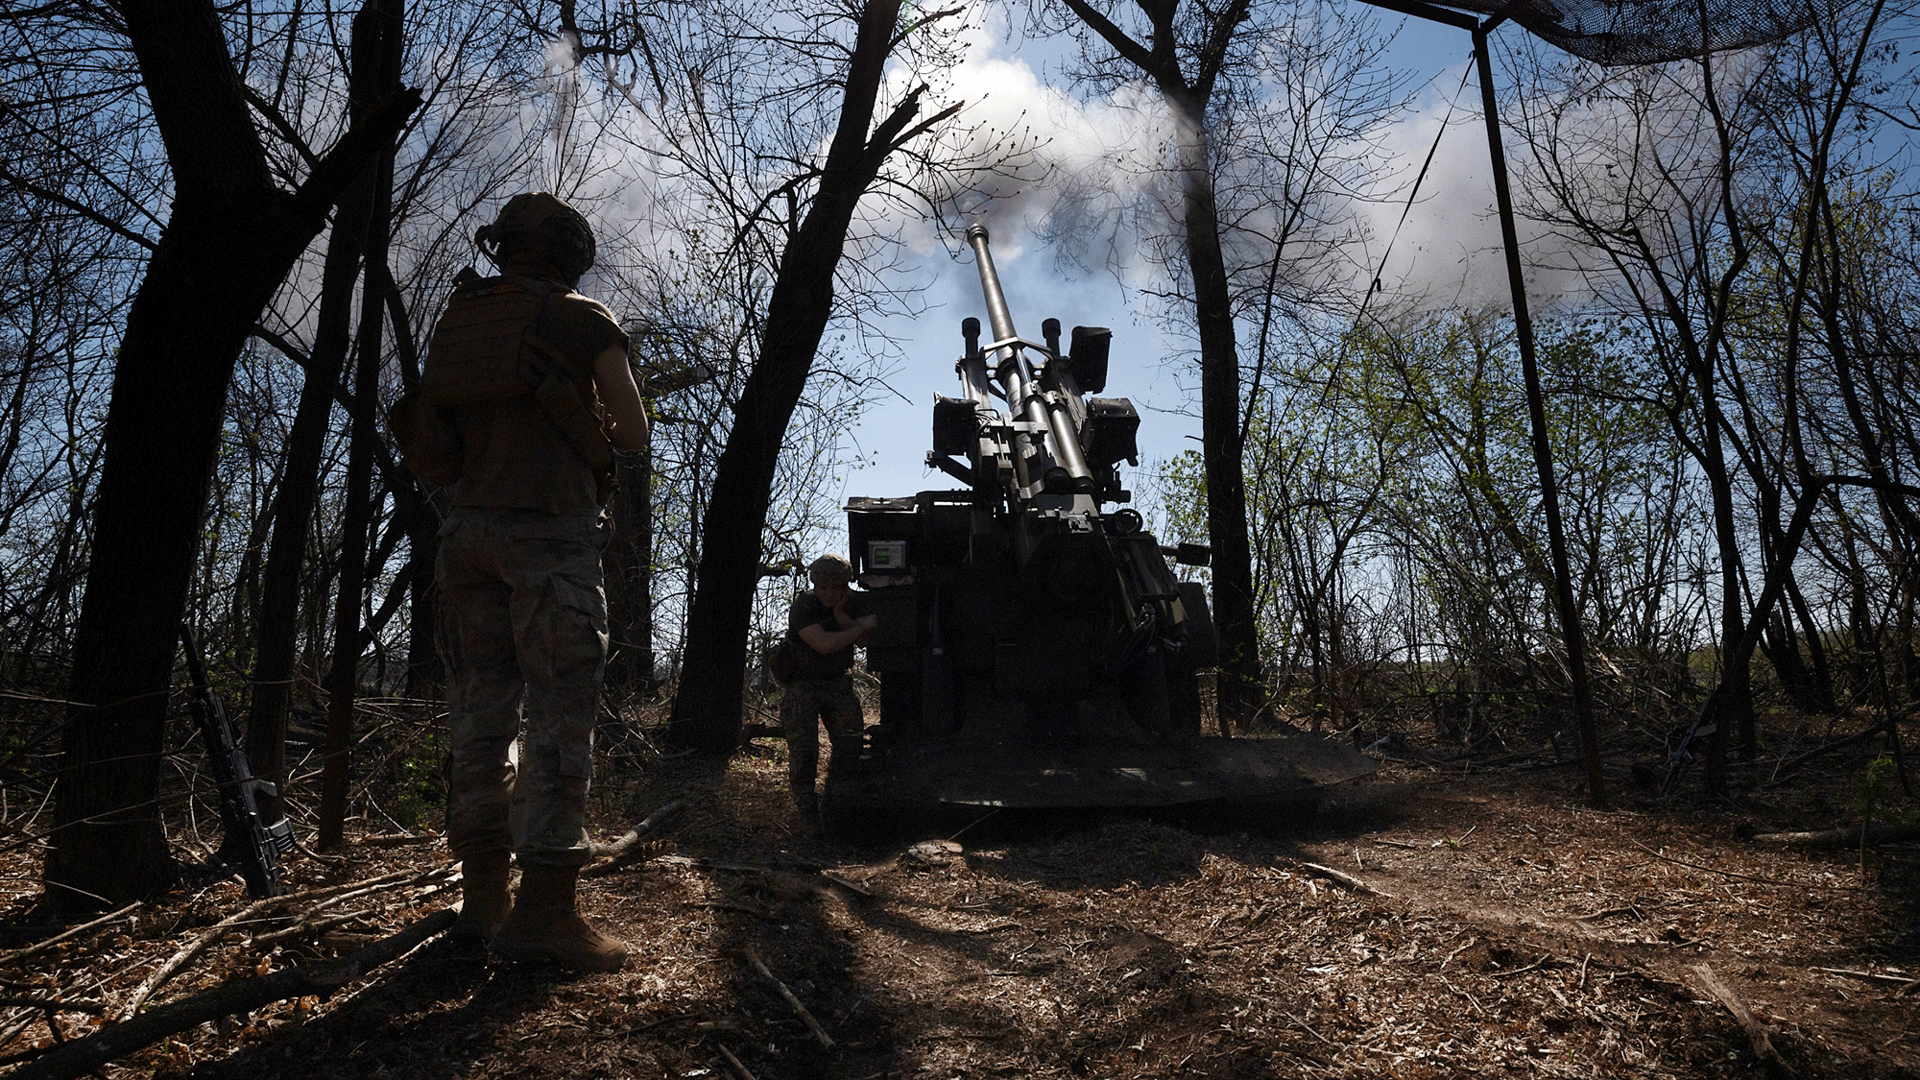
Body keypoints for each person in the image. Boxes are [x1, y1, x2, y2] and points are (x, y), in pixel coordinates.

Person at [432, 192, 648, 972]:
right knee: (560, 718)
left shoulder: (463, 315)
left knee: (479, 718)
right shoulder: (582, 318)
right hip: (548, 538)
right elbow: (631, 433)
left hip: (465, 536)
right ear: (570, 252)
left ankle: (481, 900)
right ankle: (547, 911)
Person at [780, 554, 876, 832]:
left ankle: (838, 809)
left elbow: (862, 642)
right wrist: (858, 626)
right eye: (823, 587)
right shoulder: (803, 606)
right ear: (815, 585)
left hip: (837, 682)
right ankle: (809, 818)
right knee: (804, 752)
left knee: (851, 746)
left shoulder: (854, 601)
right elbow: (824, 644)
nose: (830, 593)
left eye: (836, 587)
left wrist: (842, 617)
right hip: (802, 685)